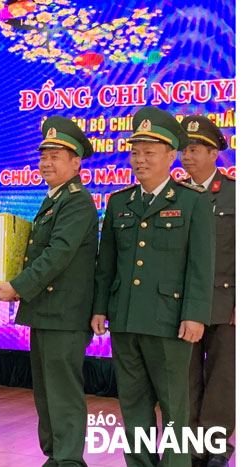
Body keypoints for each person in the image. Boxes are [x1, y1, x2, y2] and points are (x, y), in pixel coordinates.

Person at [92, 107, 215, 466]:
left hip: (169, 321)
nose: (140, 160)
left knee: (175, 405)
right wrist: (101, 308)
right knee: (132, 404)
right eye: (135, 152)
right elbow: (106, 265)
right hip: (126, 318)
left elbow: (200, 265)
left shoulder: (192, 202)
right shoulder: (119, 202)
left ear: (171, 155)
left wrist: (195, 315)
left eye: (149, 152)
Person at [0, 117, 98, 466]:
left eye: (56, 156)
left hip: (65, 314)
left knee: (62, 391)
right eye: (43, 156)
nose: (46, 163)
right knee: (46, 392)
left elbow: (57, 254)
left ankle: (68, 459)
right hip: (47, 312)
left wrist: (17, 286)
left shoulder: (77, 201)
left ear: (76, 162)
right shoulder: (54, 199)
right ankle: (56, 455)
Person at [180, 115, 235, 467]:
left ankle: (215, 446)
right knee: (182, 379)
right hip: (182, 305)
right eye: (183, 149)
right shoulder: (177, 194)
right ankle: (189, 445)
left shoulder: (234, 194)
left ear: (214, 153)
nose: (187, 156)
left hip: (224, 302)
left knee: (222, 377)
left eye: (195, 149)